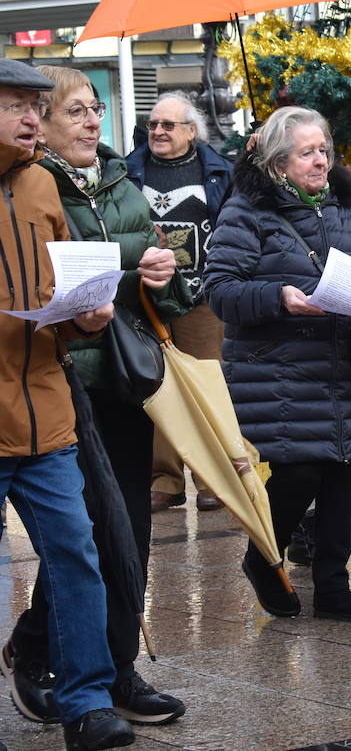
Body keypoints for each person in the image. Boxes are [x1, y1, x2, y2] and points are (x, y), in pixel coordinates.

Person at [10, 64, 189, 729]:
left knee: (128, 534)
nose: (95, 123)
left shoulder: (116, 177)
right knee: (81, 537)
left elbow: (160, 283)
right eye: (78, 112)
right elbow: (64, 268)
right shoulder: (32, 183)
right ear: (45, 127)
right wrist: (127, 259)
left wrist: (165, 274)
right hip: (67, 381)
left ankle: (116, 671)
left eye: (96, 111)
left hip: (126, 374)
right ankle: (39, 650)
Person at [0, 59, 135, 751]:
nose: (33, 118)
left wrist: (84, 316)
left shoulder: (40, 184)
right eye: (18, 106)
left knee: (76, 556)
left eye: (34, 104)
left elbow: (61, 282)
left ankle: (86, 703)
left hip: (47, 412)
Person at [204, 106, 351, 623]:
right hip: (276, 368)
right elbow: (220, 291)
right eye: (308, 153)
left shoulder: (343, 204)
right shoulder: (247, 210)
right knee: (299, 472)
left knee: (344, 471)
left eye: (324, 149)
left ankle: (333, 588)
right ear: (279, 163)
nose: (322, 161)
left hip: (339, 361)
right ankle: (263, 560)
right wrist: (280, 296)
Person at [126, 91, 233, 514]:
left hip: (202, 299)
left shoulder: (221, 171)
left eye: (168, 125)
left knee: (207, 386)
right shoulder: (129, 171)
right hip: (149, 297)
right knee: (157, 386)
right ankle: (165, 480)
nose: (158, 131)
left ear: (192, 130)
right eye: (153, 124)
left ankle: (212, 478)